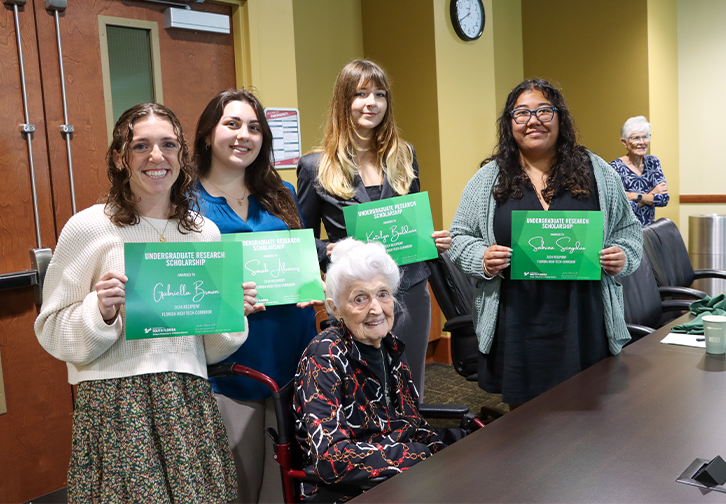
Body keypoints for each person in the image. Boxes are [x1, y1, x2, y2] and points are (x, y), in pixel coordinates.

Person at [34, 103, 251, 503]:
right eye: (140, 146)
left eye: (168, 144)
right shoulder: (89, 227)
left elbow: (208, 348)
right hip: (117, 404)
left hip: (187, 400)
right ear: (120, 156)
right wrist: (100, 312)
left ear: (182, 156)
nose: (156, 157)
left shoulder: (204, 233)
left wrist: (231, 311)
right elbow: (50, 330)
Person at [448, 79, 642, 409]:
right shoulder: (488, 179)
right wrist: (482, 257)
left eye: (543, 111)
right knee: (525, 426)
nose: (533, 120)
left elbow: (630, 232)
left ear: (560, 118)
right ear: (509, 123)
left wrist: (622, 256)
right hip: (518, 321)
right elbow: (458, 238)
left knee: (591, 417)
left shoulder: (597, 172)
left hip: (584, 317)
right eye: (521, 113)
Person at [297, 59, 451, 399]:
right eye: (362, 94)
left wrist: (431, 240)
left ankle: (415, 450)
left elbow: (410, 222)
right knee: (363, 390)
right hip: (355, 297)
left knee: (411, 388)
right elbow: (300, 241)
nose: (372, 103)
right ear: (343, 101)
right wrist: (329, 250)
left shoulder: (404, 156)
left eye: (380, 94)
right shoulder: (315, 166)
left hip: (410, 289)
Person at [192, 88, 318, 503]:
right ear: (209, 134)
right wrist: (223, 299)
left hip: (295, 350)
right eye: (232, 124)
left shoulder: (279, 191)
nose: (244, 134)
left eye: (254, 127)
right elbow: (181, 289)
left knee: (290, 483)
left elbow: (302, 256)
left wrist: (312, 285)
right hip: (232, 363)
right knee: (238, 483)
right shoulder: (185, 203)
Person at [293, 238, 445, 503]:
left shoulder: (389, 345)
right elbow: (332, 460)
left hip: (399, 474)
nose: (376, 309)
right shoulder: (324, 356)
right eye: (360, 299)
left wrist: (442, 453)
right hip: (347, 491)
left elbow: (411, 422)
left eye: (383, 294)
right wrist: (419, 455)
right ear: (335, 307)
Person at [609, 116, 669, 226]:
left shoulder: (653, 162)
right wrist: (651, 195)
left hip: (649, 231)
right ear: (624, 142)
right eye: (636, 138)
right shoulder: (614, 168)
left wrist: (634, 196)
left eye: (645, 137)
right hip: (625, 232)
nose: (641, 142)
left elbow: (664, 199)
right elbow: (621, 209)